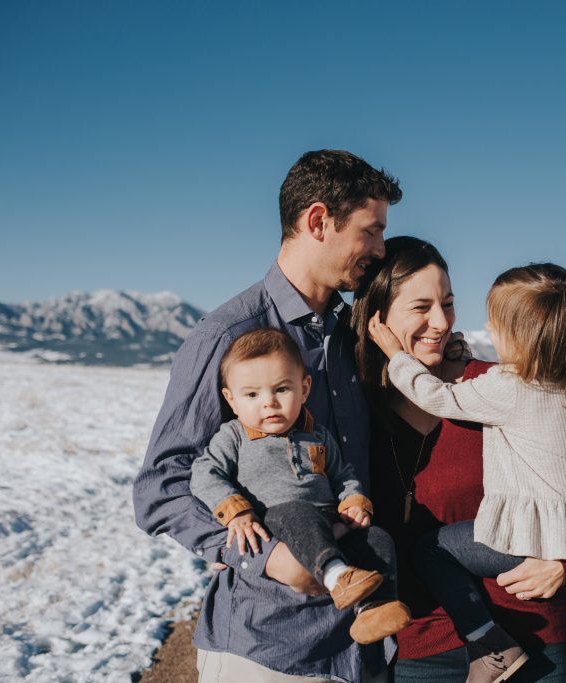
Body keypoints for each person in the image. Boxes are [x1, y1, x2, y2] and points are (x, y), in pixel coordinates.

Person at [133, 149, 402, 683]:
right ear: (319, 220)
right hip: (268, 646)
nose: (380, 248)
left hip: (362, 649)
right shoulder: (228, 335)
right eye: (370, 232)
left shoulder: (355, 336)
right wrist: (270, 558)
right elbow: (160, 485)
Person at [350, 237, 566, 683]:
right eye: (422, 307)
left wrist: (561, 561)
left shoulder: (492, 386)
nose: (441, 321)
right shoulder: (356, 409)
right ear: (379, 316)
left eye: (449, 304)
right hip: (420, 647)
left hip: (532, 637)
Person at [189, 328, 411, 644]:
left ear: (304, 388)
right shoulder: (234, 436)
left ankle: (374, 608)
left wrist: (353, 501)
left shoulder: (317, 436)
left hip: (330, 523)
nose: (269, 403)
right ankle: (337, 575)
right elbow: (204, 473)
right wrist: (236, 511)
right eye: (252, 395)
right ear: (231, 400)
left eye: (281, 389)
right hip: (279, 522)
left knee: (377, 538)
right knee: (296, 511)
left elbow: (342, 474)